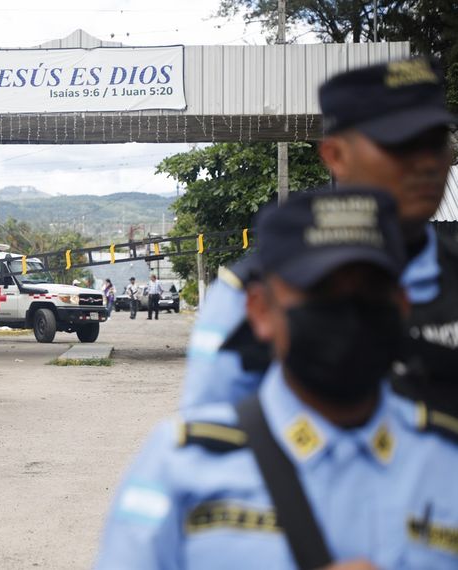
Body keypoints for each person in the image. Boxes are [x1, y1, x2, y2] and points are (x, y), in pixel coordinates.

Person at [96, 189, 458, 569]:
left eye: (370, 290)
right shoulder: (180, 467)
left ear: (402, 305)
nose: (347, 312)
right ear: (260, 310)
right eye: (321, 290)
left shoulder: (445, 463)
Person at [182, 57, 458, 414]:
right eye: (401, 145)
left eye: (436, 142)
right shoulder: (254, 294)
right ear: (335, 156)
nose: (427, 163)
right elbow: (211, 441)